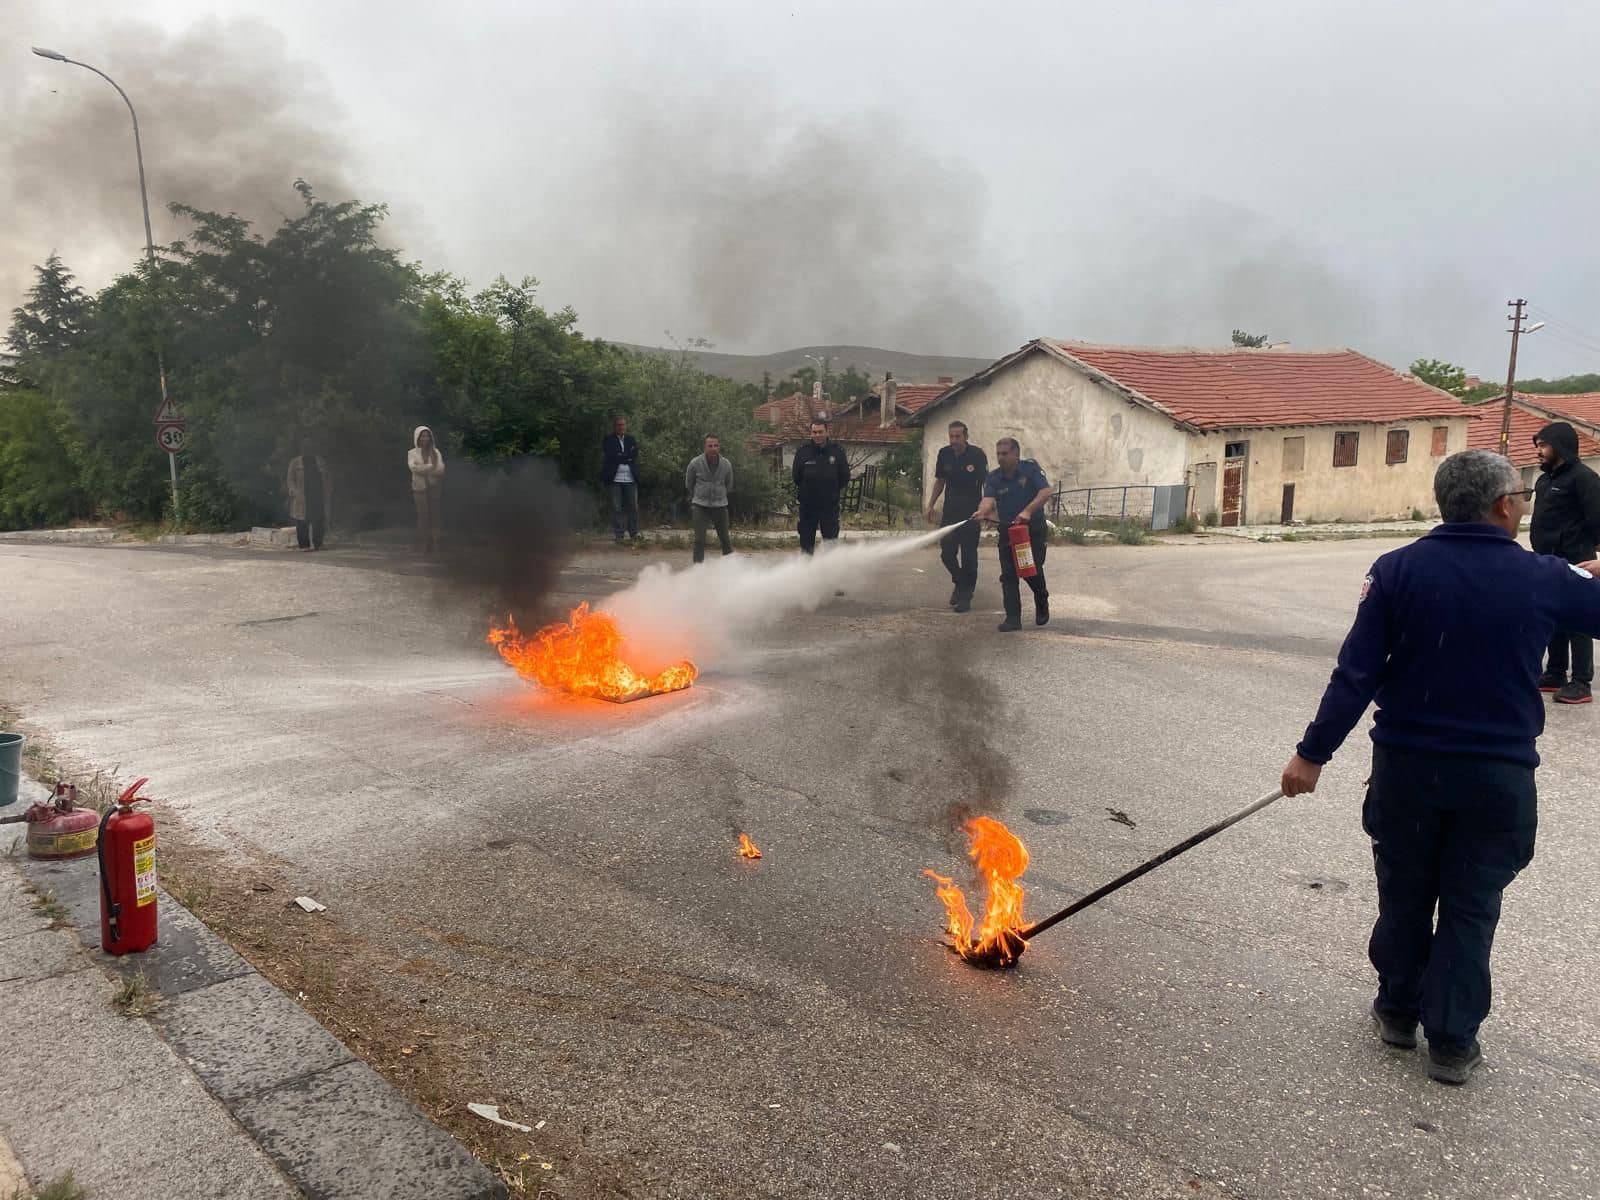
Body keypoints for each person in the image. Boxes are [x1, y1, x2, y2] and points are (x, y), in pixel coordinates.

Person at [1279, 450, 1600, 1086]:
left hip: (1407, 771)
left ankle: (1398, 1011)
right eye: (1523, 496)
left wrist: (1311, 754)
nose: (1524, 505)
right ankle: (1452, 1043)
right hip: (1496, 779)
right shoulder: (1542, 576)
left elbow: (1357, 673)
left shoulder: (1396, 570)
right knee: (1471, 905)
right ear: (1504, 505)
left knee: (1404, 893)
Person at [1530, 421, 1600, 704]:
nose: (1539, 451)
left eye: (1543, 445)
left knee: (1578, 618)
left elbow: (1597, 519)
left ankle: (1581, 682)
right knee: (1553, 615)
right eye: (1538, 445)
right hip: (1548, 559)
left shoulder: (1584, 478)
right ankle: (1555, 673)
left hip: (1577, 558)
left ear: (1560, 446)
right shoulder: (1544, 480)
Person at [971, 438, 1050, 632]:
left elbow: (1045, 491)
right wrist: (982, 511)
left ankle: (1042, 599)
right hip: (1008, 531)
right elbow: (988, 499)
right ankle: (1013, 619)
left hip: (1032, 529)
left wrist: (1028, 511)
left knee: (1031, 570)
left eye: (1005, 454)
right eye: (998, 454)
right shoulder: (994, 477)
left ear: (1016, 454)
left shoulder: (1030, 469)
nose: (1000, 458)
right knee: (1008, 575)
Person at [925, 420, 988, 612]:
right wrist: (931, 504)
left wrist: (988, 509)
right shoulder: (944, 454)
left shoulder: (977, 455)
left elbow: (988, 484)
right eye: (951, 436)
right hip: (950, 512)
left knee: (969, 556)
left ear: (966, 437)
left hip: (972, 513)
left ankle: (966, 597)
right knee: (947, 554)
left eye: (957, 436)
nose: (954, 440)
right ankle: (960, 583)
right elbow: (940, 481)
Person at [791, 419, 850, 555]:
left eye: (820, 432)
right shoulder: (803, 452)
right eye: (814, 432)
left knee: (830, 541)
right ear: (811, 433)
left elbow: (844, 477)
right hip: (808, 506)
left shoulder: (837, 451)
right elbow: (796, 477)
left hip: (829, 505)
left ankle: (829, 571)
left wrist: (831, 490)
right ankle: (806, 569)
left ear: (827, 432)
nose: (817, 435)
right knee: (806, 542)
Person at [685, 434, 734, 564]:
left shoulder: (726, 464)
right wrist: (697, 495)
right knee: (699, 540)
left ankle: (730, 568)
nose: (713, 448)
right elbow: (689, 483)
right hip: (700, 505)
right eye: (710, 446)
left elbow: (729, 485)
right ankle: (698, 569)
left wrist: (720, 496)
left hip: (720, 505)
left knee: (725, 539)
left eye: (716, 445)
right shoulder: (695, 463)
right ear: (704, 447)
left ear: (719, 447)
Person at [602, 416, 642, 544]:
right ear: (615, 426)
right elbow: (611, 456)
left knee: (633, 507)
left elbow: (634, 454)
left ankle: (634, 534)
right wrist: (626, 456)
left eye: (623, 425)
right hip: (615, 479)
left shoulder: (631, 439)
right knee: (616, 508)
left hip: (630, 478)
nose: (621, 427)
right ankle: (619, 536)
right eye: (619, 425)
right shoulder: (608, 440)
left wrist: (621, 456)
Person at [286, 439, 331, 552]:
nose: (308, 449)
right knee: (302, 521)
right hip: (302, 496)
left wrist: (328, 491)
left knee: (319, 520)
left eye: (310, 447)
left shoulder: (320, 461)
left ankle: (318, 544)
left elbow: (327, 477)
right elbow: (290, 479)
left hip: (318, 495)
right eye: (305, 447)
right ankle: (304, 545)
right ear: (302, 449)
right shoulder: (295, 462)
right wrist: (294, 491)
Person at [408, 425, 445, 553]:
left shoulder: (436, 452)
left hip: (434, 487)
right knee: (422, 516)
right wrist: (430, 467)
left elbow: (440, 469)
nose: (425, 438)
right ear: (417, 438)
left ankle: (436, 543)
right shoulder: (412, 453)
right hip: (419, 489)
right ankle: (423, 544)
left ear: (430, 437)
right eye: (422, 436)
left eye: (427, 435)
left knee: (435, 515)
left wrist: (424, 468)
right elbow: (414, 468)